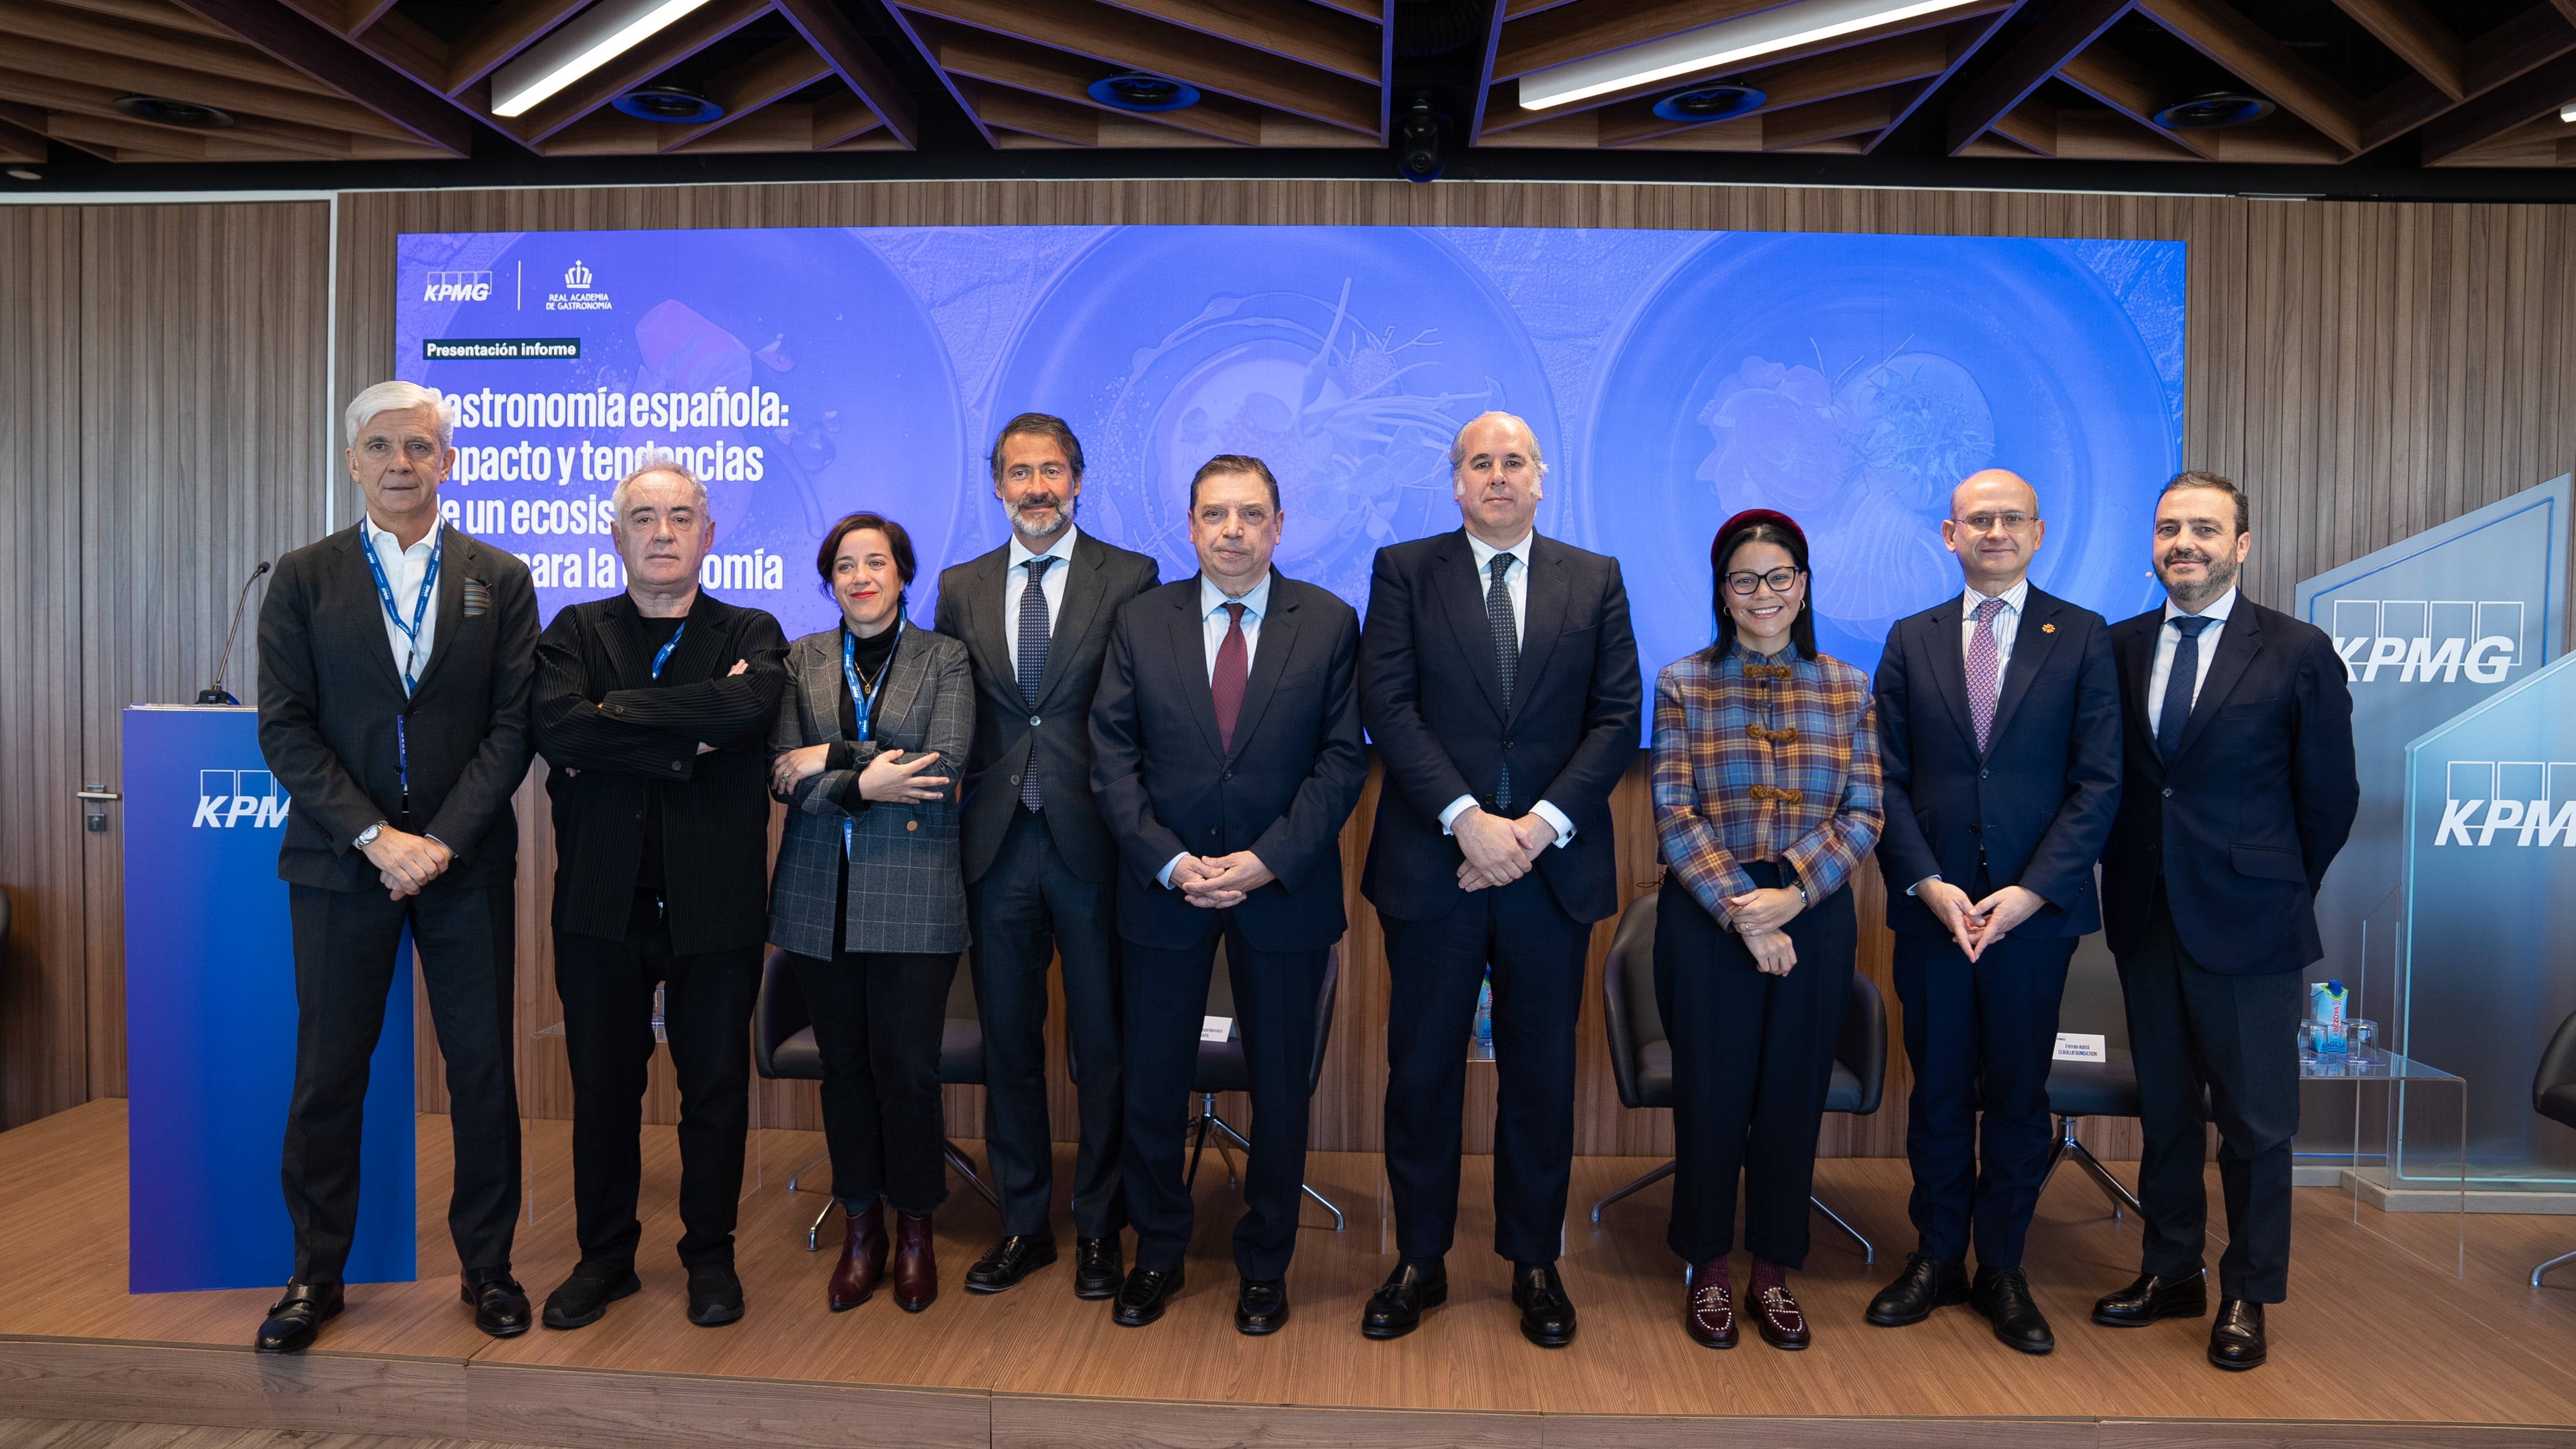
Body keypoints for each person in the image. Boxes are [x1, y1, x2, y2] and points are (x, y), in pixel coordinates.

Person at [253, 380, 538, 1352]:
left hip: (463, 864)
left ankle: (488, 1270)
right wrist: (378, 837)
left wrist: (440, 841)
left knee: (482, 1073)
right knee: (329, 1074)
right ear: (351, 462)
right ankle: (312, 1275)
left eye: (419, 446)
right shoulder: (301, 578)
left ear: (447, 461)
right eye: (380, 446)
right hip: (342, 868)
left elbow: (512, 727)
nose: (400, 464)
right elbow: (285, 731)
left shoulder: (499, 578)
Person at [1357, 411, 1641, 1348]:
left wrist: (1534, 829)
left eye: (1512, 460)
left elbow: (1613, 717)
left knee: (1539, 1076)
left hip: (1548, 869)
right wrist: (1468, 822)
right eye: (1479, 462)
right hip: (1435, 863)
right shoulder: (1404, 571)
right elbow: (1387, 706)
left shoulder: (1592, 579)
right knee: (1423, 1070)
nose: (1496, 476)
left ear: (1541, 477)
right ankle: (1420, 1258)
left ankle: (1533, 1260)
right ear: (1455, 482)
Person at [1089, 456, 1366, 1335]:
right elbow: (1111, 757)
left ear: (1279, 525)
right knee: (1151, 1084)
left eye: (1251, 514)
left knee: (1281, 1089)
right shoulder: (1140, 620)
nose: (1234, 531)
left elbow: (1340, 759)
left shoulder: (1325, 622)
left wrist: (1265, 859)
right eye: (1216, 514)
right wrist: (1169, 861)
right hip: (1163, 891)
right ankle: (1158, 1252)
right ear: (1190, 524)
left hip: (1280, 892)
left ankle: (1264, 1262)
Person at [2094, 472, 2356, 1371]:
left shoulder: (2295, 650)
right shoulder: (2117, 646)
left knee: (2253, 1123)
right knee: (2166, 1114)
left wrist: (2276, 886)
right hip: (2144, 915)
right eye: (2169, 528)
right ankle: (2172, 1271)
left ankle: (2246, 1290)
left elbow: (2328, 799)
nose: (2185, 544)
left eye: (2204, 529)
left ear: (2240, 544)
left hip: (2251, 922)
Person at [528, 462, 788, 1332]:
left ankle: (708, 1255)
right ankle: (605, 1258)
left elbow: (749, 708)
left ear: (709, 535)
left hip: (715, 903)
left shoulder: (751, 627)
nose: (663, 532)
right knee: (604, 1087)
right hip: (602, 904)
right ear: (617, 536)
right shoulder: (573, 630)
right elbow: (558, 726)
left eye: (681, 516)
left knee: (713, 1087)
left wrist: (617, 718)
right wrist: (685, 737)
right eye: (644, 516)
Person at [1865, 470, 2120, 1355]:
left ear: (2038, 532)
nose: (1996, 531)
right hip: (1933, 911)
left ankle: (2002, 1267)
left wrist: (2029, 892)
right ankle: (1935, 1256)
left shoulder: (2082, 638)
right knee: (1935, 1093)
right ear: (1949, 534)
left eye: (2012, 518)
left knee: (2015, 1097)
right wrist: (1925, 882)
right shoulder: (1910, 639)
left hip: (2030, 918)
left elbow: (2097, 783)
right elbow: (1883, 779)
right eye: (1980, 519)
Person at [932, 414, 1159, 1300]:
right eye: (1020, 472)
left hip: (1096, 841)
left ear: (1078, 479)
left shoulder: (1131, 577)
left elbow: (1145, 709)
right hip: (994, 845)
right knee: (1009, 1046)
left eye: (1052, 471)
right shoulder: (960, 585)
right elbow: (953, 705)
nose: (1036, 486)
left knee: (1103, 1048)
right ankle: (1024, 1222)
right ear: (997, 485)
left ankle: (1101, 1225)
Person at [1650, 509, 1882, 1352]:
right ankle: (1707, 1267)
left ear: (1804, 585)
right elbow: (1674, 813)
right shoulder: (1681, 682)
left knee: (1790, 1095)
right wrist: (1744, 911)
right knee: (1710, 1097)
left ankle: (1772, 1270)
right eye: (1743, 579)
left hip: (1812, 920)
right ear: (1721, 592)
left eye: (1778, 577)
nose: (1762, 594)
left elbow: (1865, 813)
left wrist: (1790, 893)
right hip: (1708, 920)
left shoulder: (1848, 685)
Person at [771, 512, 975, 1314]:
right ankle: (863, 1229)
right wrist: (859, 775)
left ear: (902, 574)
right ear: (829, 581)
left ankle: (917, 1229)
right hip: (818, 900)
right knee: (844, 1071)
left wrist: (831, 752)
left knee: (909, 1071)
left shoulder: (945, 657)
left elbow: (941, 764)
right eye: (845, 564)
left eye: (876, 561)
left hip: (915, 896)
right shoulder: (801, 660)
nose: (861, 575)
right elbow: (781, 775)